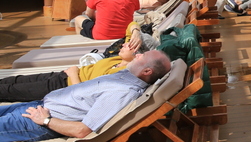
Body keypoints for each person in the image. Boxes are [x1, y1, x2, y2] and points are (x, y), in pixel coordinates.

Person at [0, 50, 171, 142]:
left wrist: (45, 121)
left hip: (38, 122)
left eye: (142, 56)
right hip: (39, 106)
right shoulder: (125, 76)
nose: (137, 54)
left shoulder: (123, 92)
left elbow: (82, 131)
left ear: (146, 71)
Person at [0, 35, 156, 102]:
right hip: (61, 76)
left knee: (9, 91)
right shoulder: (120, 58)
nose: (122, 44)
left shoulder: (121, 75)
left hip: (63, 87)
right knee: (14, 80)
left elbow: (83, 95)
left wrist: (74, 73)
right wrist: (136, 33)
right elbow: (131, 27)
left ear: (138, 54)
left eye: (128, 44)